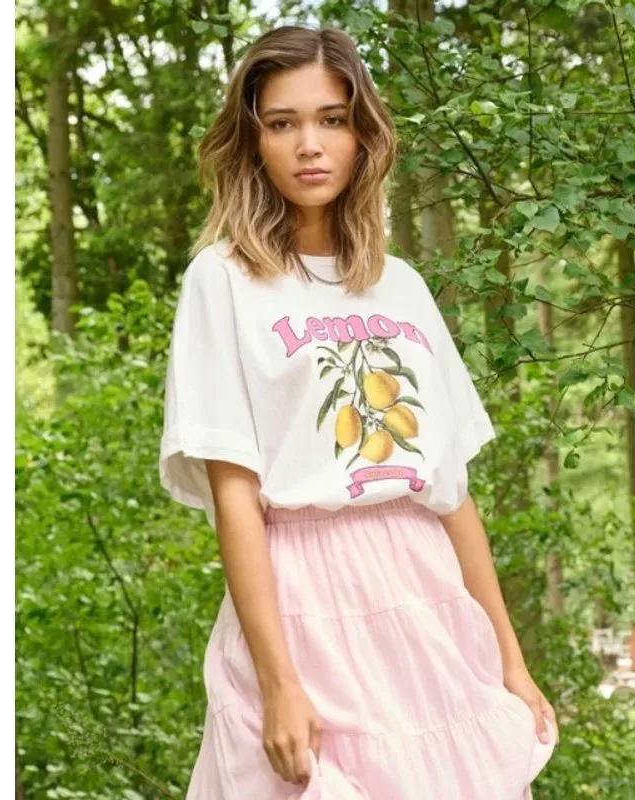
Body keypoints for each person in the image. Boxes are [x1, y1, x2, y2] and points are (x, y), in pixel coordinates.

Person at [159, 24, 558, 800]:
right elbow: (235, 495)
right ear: (253, 141)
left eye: (332, 120)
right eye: (282, 123)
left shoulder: (401, 285)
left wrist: (511, 661)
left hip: (428, 601)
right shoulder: (223, 280)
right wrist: (279, 681)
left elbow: (451, 493)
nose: (309, 145)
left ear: (361, 135)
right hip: (304, 601)